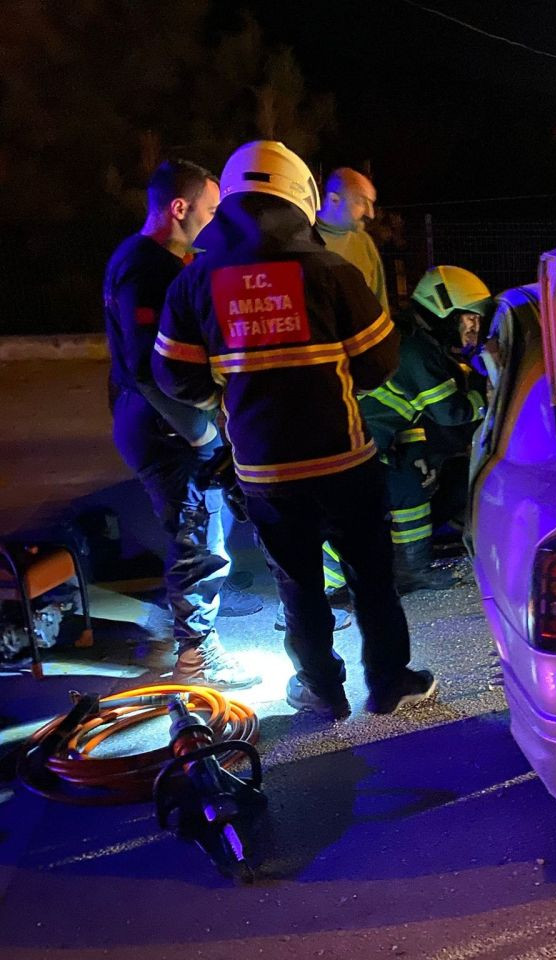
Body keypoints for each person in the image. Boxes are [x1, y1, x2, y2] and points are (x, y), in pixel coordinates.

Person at [153, 140, 435, 718]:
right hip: (343, 460)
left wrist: (231, 393)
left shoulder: (194, 281)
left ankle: (321, 691)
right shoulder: (332, 270)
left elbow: (173, 375)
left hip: (265, 471)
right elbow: (381, 360)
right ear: (300, 196)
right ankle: (388, 683)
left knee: (299, 584)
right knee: (371, 577)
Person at [103, 160, 259, 689]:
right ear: (179, 208)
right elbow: (146, 367)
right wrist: (202, 432)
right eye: (210, 210)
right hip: (165, 429)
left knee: (203, 530)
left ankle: (195, 640)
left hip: (160, 424)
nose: (215, 221)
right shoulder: (147, 269)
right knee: (200, 539)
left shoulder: (152, 261)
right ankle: (198, 657)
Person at [320, 267, 489, 596]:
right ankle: (324, 587)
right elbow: (451, 411)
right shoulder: (416, 352)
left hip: (371, 438)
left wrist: (417, 452)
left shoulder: (414, 341)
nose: (473, 328)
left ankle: (407, 568)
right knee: (381, 506)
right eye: (469, 318)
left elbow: (405, 414)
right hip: (360, 441)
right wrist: (488, 396)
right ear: (444, 310)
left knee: (407, 488)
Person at [316, 167, 389, 314]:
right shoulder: (301, 237)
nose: (371, 214)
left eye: (371, 203)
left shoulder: (364, 242)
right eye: (361, 202)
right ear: (333, 200)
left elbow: (379, 304)